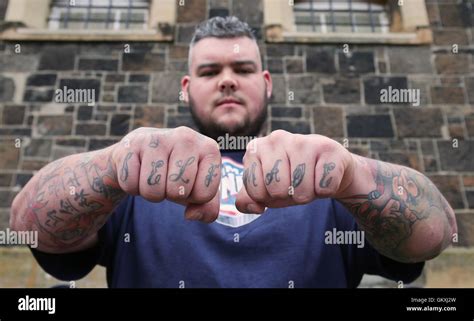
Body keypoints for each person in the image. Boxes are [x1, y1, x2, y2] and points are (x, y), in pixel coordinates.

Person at [10, 16, 457, 288]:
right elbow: (30, 226)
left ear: (265, 84)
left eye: (242, 69)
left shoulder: (323, 178)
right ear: (186, 90)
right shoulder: (134, 176)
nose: (227, 79)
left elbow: (434, 235)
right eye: (210, 70)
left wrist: (353, 174)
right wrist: (110, 166)